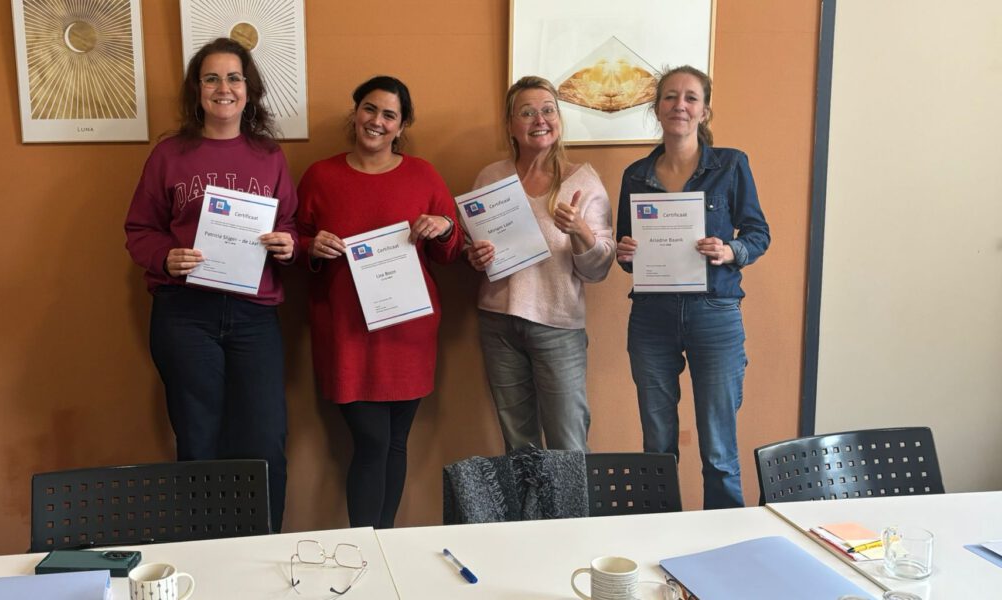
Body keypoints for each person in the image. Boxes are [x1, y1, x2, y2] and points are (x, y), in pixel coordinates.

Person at [124, 38, 296, 532]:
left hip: (254, 316)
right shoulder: (169, 155)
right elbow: (140, 229)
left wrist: (288, 244)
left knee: (265, 439)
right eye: (212, 78)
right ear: (196, 90)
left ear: (249, 89)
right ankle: (205, 550)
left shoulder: (269, 156)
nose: (224, 88)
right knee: (199, 441)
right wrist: (166, 256)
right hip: (186, 314)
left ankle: (263, 545)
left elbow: (290, 223)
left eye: (234, 78)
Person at [297, 76, 463, 529]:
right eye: (369, 109)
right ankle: (366, 545)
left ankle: (383, 542)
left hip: (408, 332)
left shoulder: (423, 175)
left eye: (389, 115)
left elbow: (451, 251)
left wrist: (444, 227)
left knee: (395, 443)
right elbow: (295, 242)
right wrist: (312, 247)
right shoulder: (320, 176)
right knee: (371, 442)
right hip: (346, 332)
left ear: (401, 126)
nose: (377, 121)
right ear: (355, 112)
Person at [615, 65, 770, 509]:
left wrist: (730, 251)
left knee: (718, 448)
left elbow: (758, 234)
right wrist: (626, 252)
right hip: (651, 318)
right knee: (657, 444)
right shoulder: (635, 174)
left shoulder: (731, 165)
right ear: (656, 108)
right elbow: (627, 255)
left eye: (690, 98)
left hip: (714, 313)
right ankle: (660, 532)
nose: (679, 105)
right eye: (669, 97)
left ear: (704, 110)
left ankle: (724, 540)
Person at [466, 76, 615, 452]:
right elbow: (474, 245)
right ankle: (527, 497)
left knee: (568, 442)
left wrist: (580, 230)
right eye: (527, 112)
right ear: (510, 125)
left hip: (558, 326)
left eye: (548, 110)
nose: (540, 120)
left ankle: (571, 497)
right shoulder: (490, 177)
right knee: (519, 445)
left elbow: (598, 269)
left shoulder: (583, 182)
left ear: (559, 119)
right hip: (498, 324)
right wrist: (474, 256)